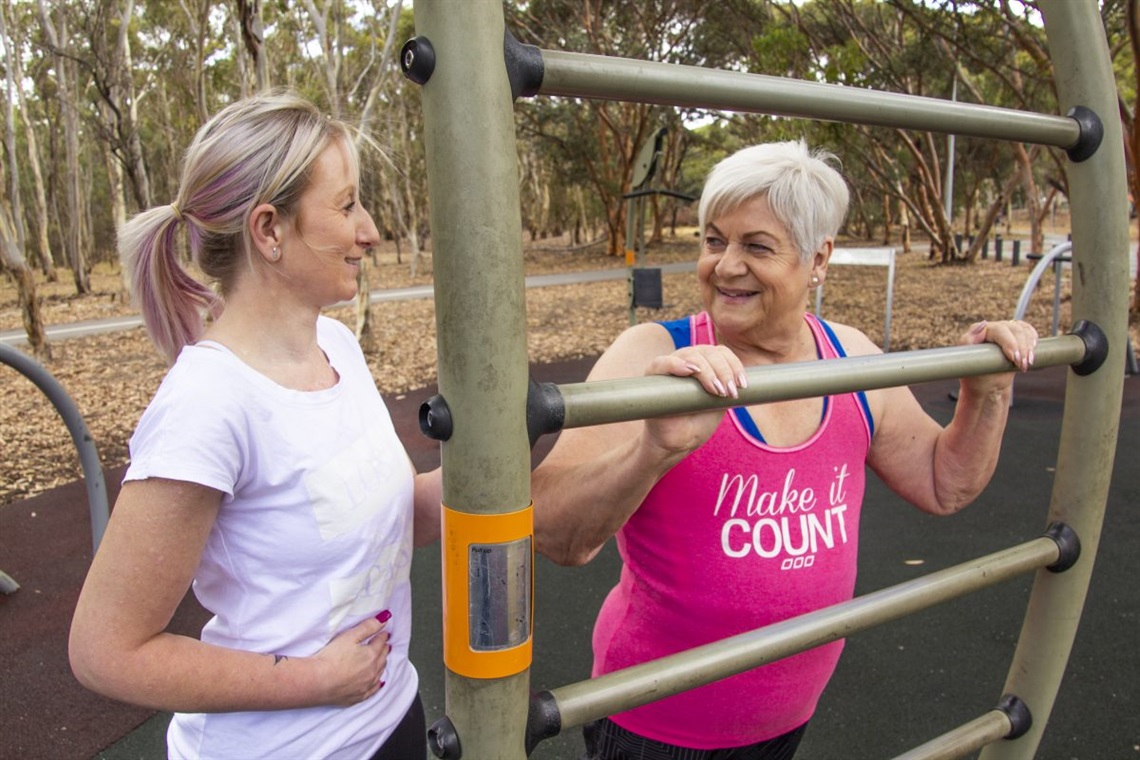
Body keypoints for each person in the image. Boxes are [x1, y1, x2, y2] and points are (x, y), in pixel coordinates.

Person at [531, 140, 1038, 760]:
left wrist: (986, 390)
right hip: (654, 722)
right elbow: (556, 533)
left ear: (818, 258)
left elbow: (942, 481)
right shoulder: (650, 356)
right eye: (714, 240)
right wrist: (651, 450)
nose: (725, 266)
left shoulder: (848, 357)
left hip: (786, 716)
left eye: (757, 246)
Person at [68, 90, 441, 760]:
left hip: (389, 719)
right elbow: (105, 651)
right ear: (269, 230)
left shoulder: (339, 347)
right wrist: (313, 680)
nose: (371, 230)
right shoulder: (208, 404)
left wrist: (526, 475)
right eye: (348, 203)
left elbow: (391, 514)